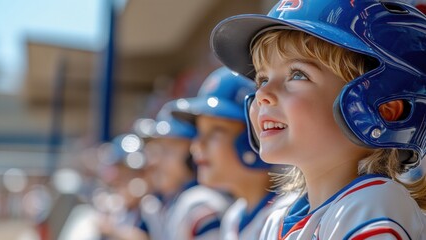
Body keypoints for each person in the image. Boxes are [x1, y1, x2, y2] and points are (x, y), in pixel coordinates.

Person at [211, 0, 426, 239]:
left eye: (297, 74)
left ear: (384, 108)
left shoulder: (373, 205)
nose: (262, 94)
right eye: (262, 79)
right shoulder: (277, 219)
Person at [172, 66, 297, 240]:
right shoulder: (235, 216)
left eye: (215, 131)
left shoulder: (292, 215)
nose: (197, 145)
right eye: (199, 132)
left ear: (252, 136)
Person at [137, 100, 232, 240]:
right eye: (156, 151)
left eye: (167, 151)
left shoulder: (201, 204)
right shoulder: (170, 201)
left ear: (191, 156)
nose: (154, 162)